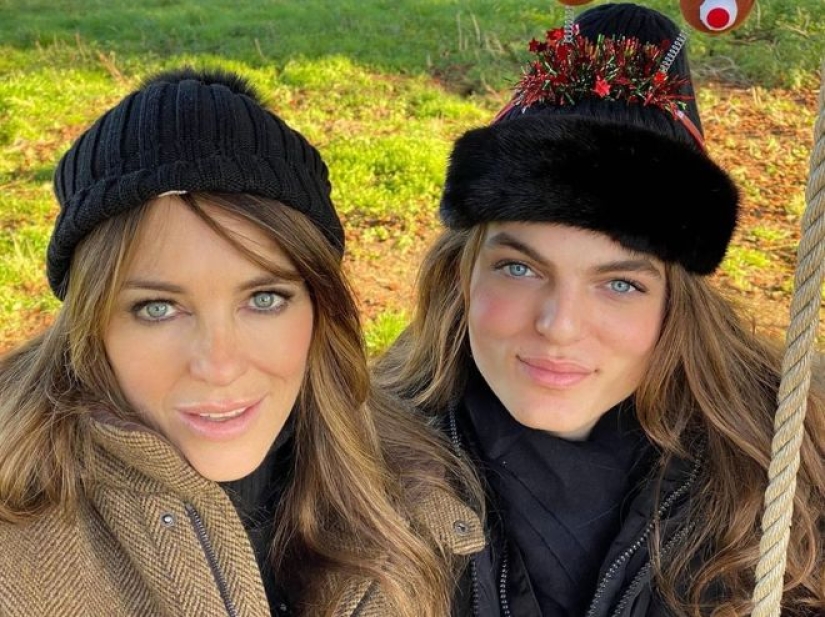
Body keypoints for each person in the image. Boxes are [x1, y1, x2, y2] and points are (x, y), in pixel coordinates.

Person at [374, 3, 825, 616]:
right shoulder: (353, 468)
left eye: (619, 284)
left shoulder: (785, 472)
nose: (559, 327)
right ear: (462, 274)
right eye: (520, 268)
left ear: (675, 305)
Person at [0, 67, 485, 617]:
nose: (220, 365)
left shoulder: (417, 493)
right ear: (90, 325)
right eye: (157, 308)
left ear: (320, 307)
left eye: (264, 299)